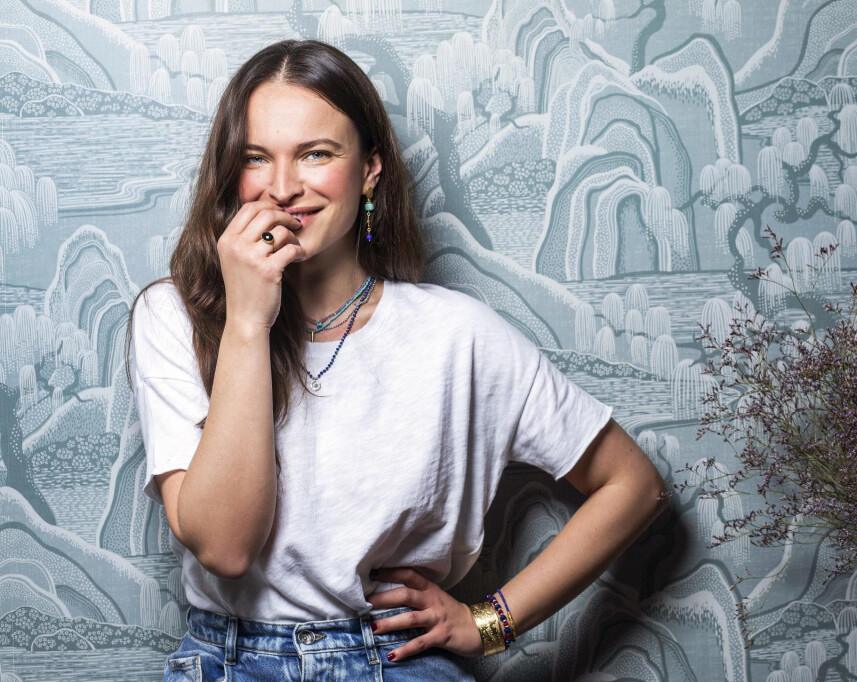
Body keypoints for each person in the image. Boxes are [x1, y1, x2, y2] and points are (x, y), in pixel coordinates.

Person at [126, 39, 669, 681]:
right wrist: (247, 321)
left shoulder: (457, 336)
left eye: (316, 154)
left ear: (369, 170)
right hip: (227, 660)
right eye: (256, 157)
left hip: (392, 661)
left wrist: (488, 622)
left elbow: (633, 485)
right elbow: (226, 548)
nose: (283, 187)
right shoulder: (173, 316)